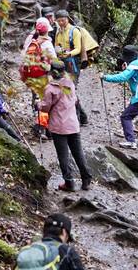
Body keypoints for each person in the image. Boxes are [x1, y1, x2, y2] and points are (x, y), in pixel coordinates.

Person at [37, 62, 92, 191]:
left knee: (63, 155)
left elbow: (45, 107)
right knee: (78, 153)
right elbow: (75, 100)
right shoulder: (70, 84)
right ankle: (86, 179)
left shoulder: (50, 88)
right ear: (63, 72)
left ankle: (69, 182)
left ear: (51, 72)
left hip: (58, 126)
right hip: (73, 124)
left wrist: (38, 105)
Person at [100, 45, 138, 155]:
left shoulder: (133, 66)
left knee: (126, 117)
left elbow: (122, 77)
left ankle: (131, 141)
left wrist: (105, 77)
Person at [54, 9, 88, 125]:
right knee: (65, 90)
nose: (61, 23)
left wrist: (68, 53)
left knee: (71, 89)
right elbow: (56, 46)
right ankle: (82, 117)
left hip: (73, 63)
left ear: (67, 19)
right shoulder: (59, 32)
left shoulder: (74, 31)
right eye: (59, 21)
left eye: (63, 20)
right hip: (62, 63)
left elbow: (78, 48)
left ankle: (77, 119)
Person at [16, 213, 85, 270]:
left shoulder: (27, 250)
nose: (66, 241)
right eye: (68, 238)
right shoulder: (67, 252)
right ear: (64, 232)